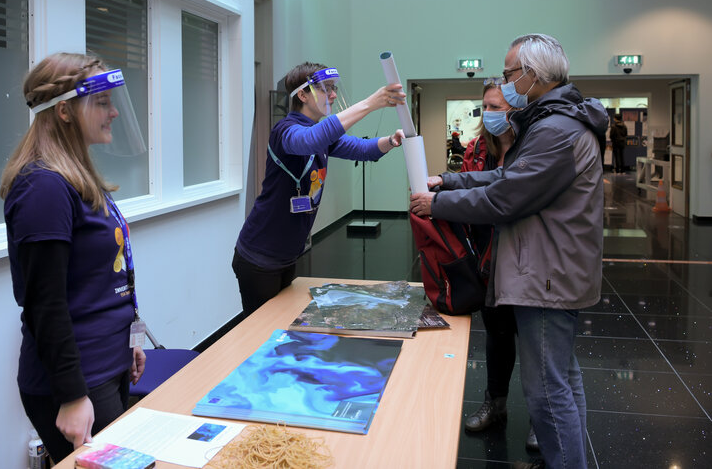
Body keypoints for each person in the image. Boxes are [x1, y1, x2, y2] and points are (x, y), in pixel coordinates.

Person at [410, 34, 607, 469]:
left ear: (534, 76)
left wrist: (436, 202)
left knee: (547, 391)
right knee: (564, 380)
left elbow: (506, 197)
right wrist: (454, 181)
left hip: (546, 276)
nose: (505, 81)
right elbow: (508, 177)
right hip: (556, 268)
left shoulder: (555, 130)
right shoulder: (556, 121)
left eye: (509, 73)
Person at [0, 53, 147, 463]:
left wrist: (127, 339)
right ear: (64, 110)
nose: (115, 111)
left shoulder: (73, 176)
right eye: (101, 102)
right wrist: (71, 396)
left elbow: (100, 277)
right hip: (76, 382)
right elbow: (44, 304)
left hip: (104, 363)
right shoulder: (42, 187)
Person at [233, 62, 405, 316]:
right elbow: (310, 140)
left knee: (279, 325)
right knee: (260, 331)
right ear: (302, 95)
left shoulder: (323, 136)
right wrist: (371, 103)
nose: (333, 95)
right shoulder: (285, 131)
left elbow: (361, 149)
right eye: (326, 89)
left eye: (334, 88)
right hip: (259, 257)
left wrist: (391, 141)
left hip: (286, 255)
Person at [445, 78, 538, 451]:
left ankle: (540, 419)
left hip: (529, 260)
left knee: (535, 345)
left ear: (516, 109)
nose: (490, 114)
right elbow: (471, 195)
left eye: (497, 106)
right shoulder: (475, 150)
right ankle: (495, 405)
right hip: (488, 259)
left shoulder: (533, 147)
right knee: (497, 340)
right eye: (486, 106)